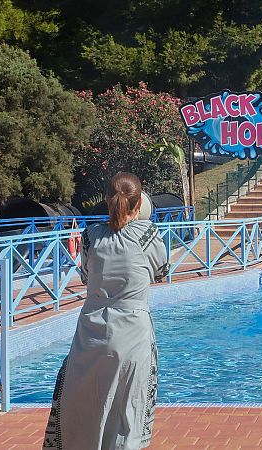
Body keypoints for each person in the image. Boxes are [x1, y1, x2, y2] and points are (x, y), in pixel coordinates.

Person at [43, 172, 169, 450]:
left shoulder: (91, 235)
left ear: (106, 200)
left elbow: (87, 276)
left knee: (86, 408)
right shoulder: (147, 234)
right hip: (132, 333)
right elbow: (161, 271)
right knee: (127, 414)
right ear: (138, 205)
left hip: (91, 332)